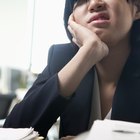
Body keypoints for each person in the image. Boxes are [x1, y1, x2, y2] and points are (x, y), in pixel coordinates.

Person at [3, 0, 140, 139]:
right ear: (72, 18)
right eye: (81, 0)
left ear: (137, 9)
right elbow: (13, 131)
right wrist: (86, 54)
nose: (94, 4)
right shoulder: (62, 58)